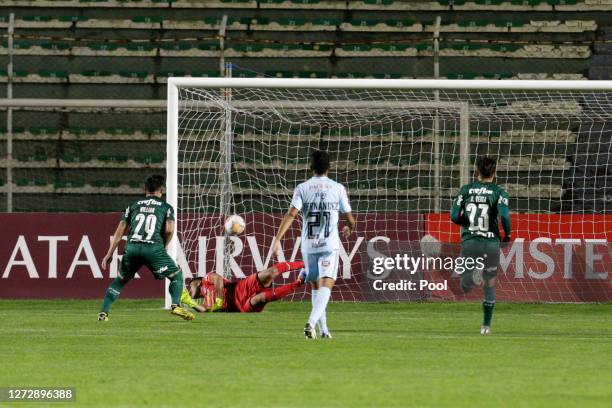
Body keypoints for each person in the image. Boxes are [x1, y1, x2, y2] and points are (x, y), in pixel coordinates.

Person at [271, 150, 356, 339]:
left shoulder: (302, 188)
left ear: (310, 167)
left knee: (316, 287)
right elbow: (350, 218)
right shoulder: (338, 188)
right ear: (330, 167)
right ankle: (310, 323)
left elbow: (292, 214)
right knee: (326, 285)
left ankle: (324, 330)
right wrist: (350, 228)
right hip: (329, 245)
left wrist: (277, 240)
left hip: (309, 245)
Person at [98, 174, 194, 321]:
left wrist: (109, 254)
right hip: (153, 248)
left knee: (120, 280)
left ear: (145, 189)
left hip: (132, 248)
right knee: (176, 275)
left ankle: (103, 313)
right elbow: (169, 230)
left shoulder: (133, 205)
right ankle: (175, 305)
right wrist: (163, 245)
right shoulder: (166, 207)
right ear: (162, 190)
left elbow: (119, 232)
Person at [451, 156, 512, 335]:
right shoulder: (500, 192)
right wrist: (507, 235)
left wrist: (467, 222)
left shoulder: (466, 190)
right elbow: (505, 217)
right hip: (491, 243)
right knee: (490, 284)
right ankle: (486, 326)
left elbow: (454, 216)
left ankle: (472, 278)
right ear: (494, 173)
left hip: (470, 242)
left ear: (475, 172)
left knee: (464, 285)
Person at [181, 261, 306, 313]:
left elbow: (218, 280)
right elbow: (205, 311)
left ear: (195, 282)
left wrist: (219, 299)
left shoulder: (205, 280)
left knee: (271, 272)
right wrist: (190, 303)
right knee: (261, 298)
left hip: (242, 288)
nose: (188, 289)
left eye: (189, 286)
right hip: (241, 307)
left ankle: (304, 264)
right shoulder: (206, 301)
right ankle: (298, 283)